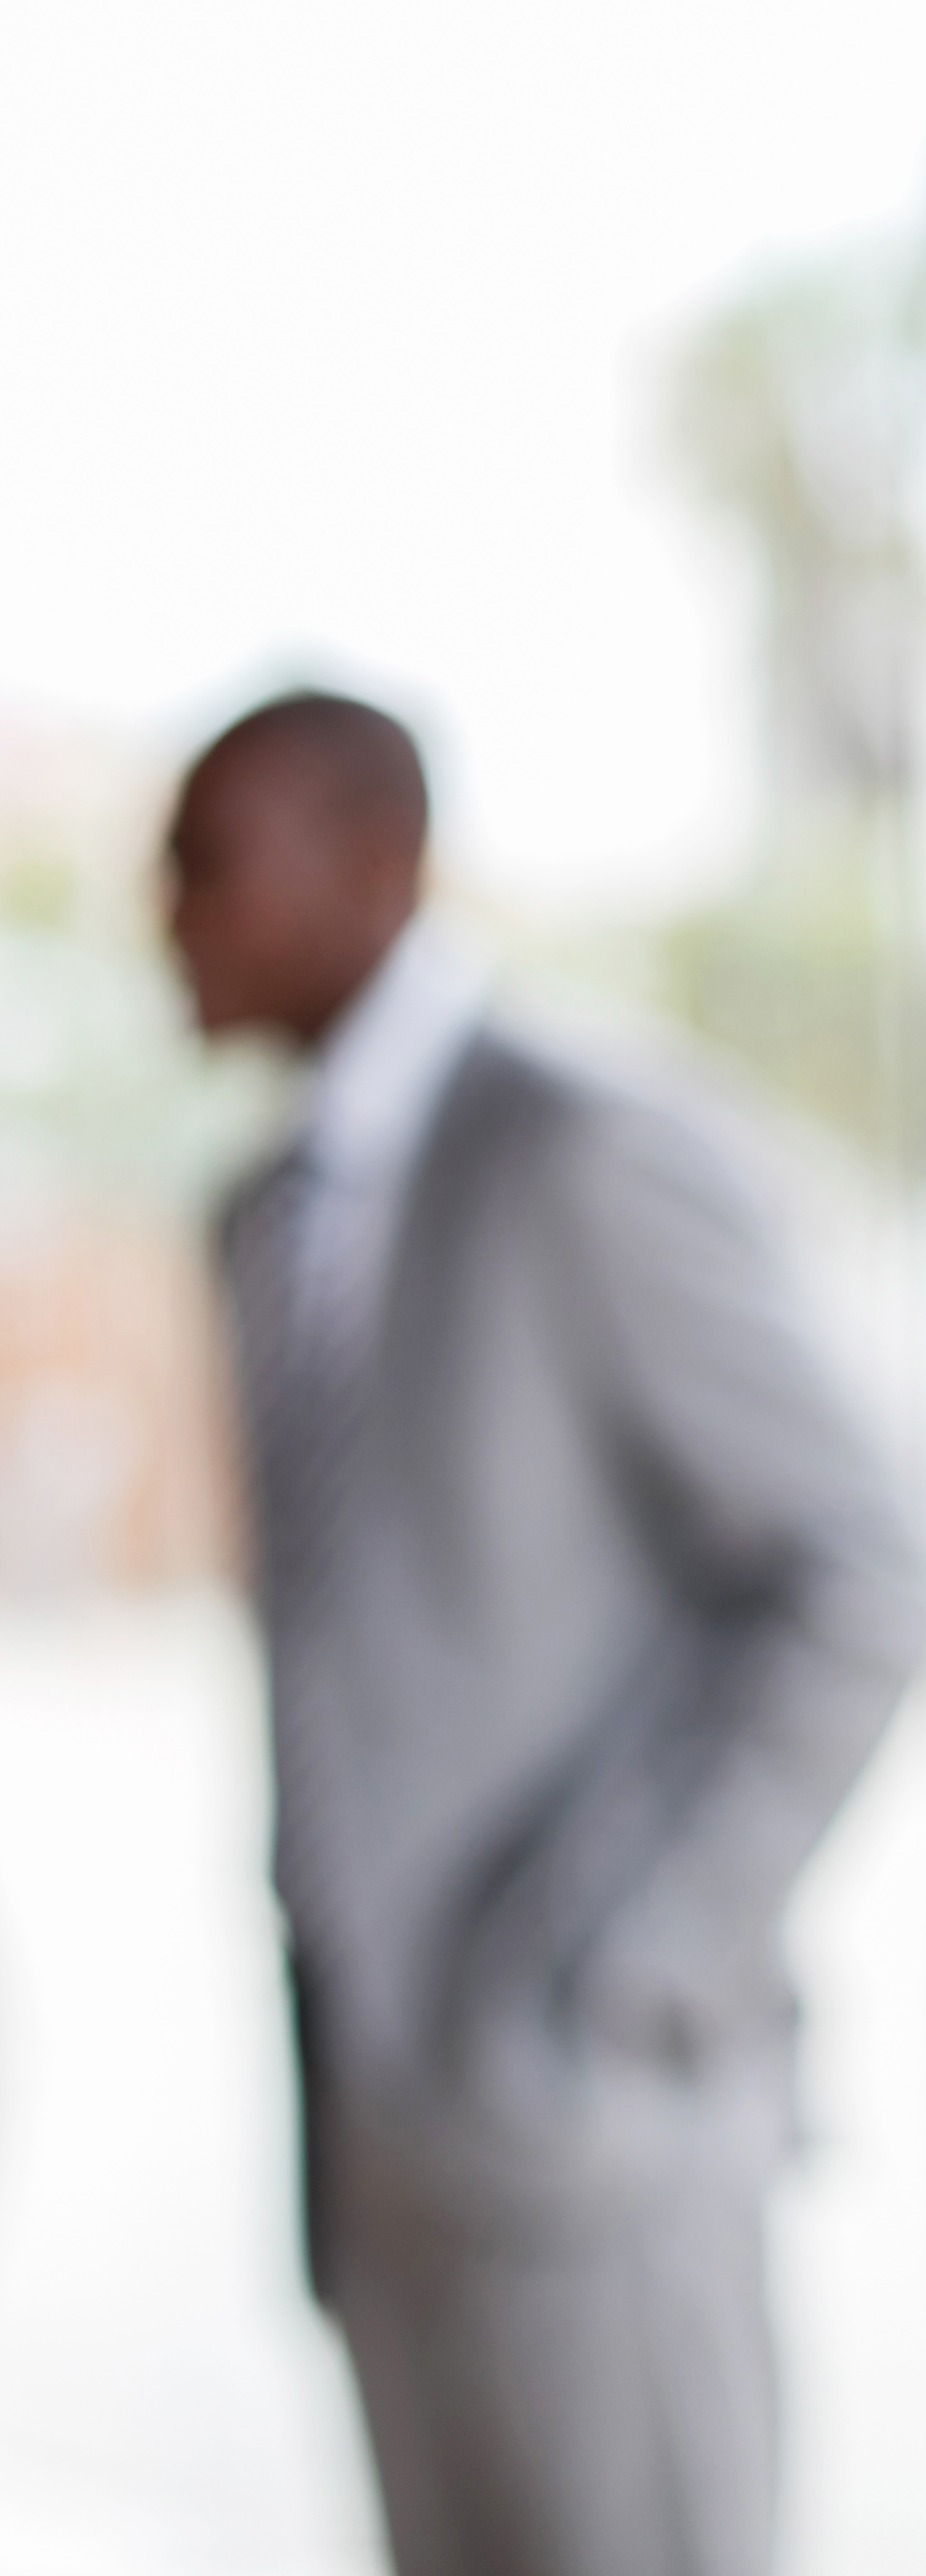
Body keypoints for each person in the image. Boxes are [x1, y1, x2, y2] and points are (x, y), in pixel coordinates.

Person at [166, 690, 923, 2576]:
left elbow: (856, 1566)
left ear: (377, 862)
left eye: (204, 863)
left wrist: (621, 1964)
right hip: (374, 2129)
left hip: (597, 2124)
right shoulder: (262, 1211)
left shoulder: (586, 1146)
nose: (159, 916)